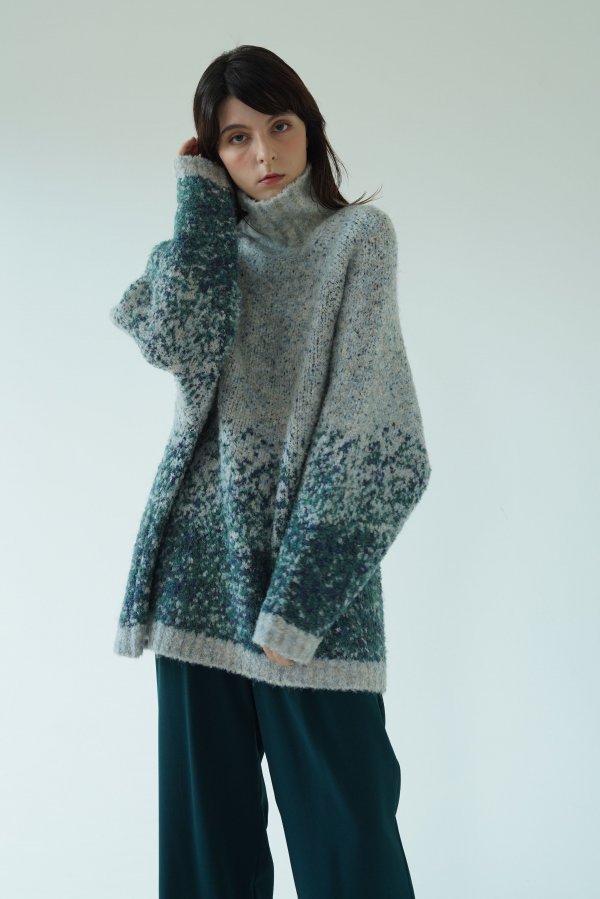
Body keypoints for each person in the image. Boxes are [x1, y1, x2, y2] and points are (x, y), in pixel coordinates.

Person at [110, 43, 432, 899]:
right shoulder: (198, 256)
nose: (263, 154)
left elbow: (382, 441)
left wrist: (298, 603)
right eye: (236, 138)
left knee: (352, 856)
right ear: (212, 154)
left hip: (310, 604)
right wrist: (198, 207)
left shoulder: (357, 241)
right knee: (206, 866)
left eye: (279, 127)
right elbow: (178, 341)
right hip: (196, 587)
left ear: (310, 129)